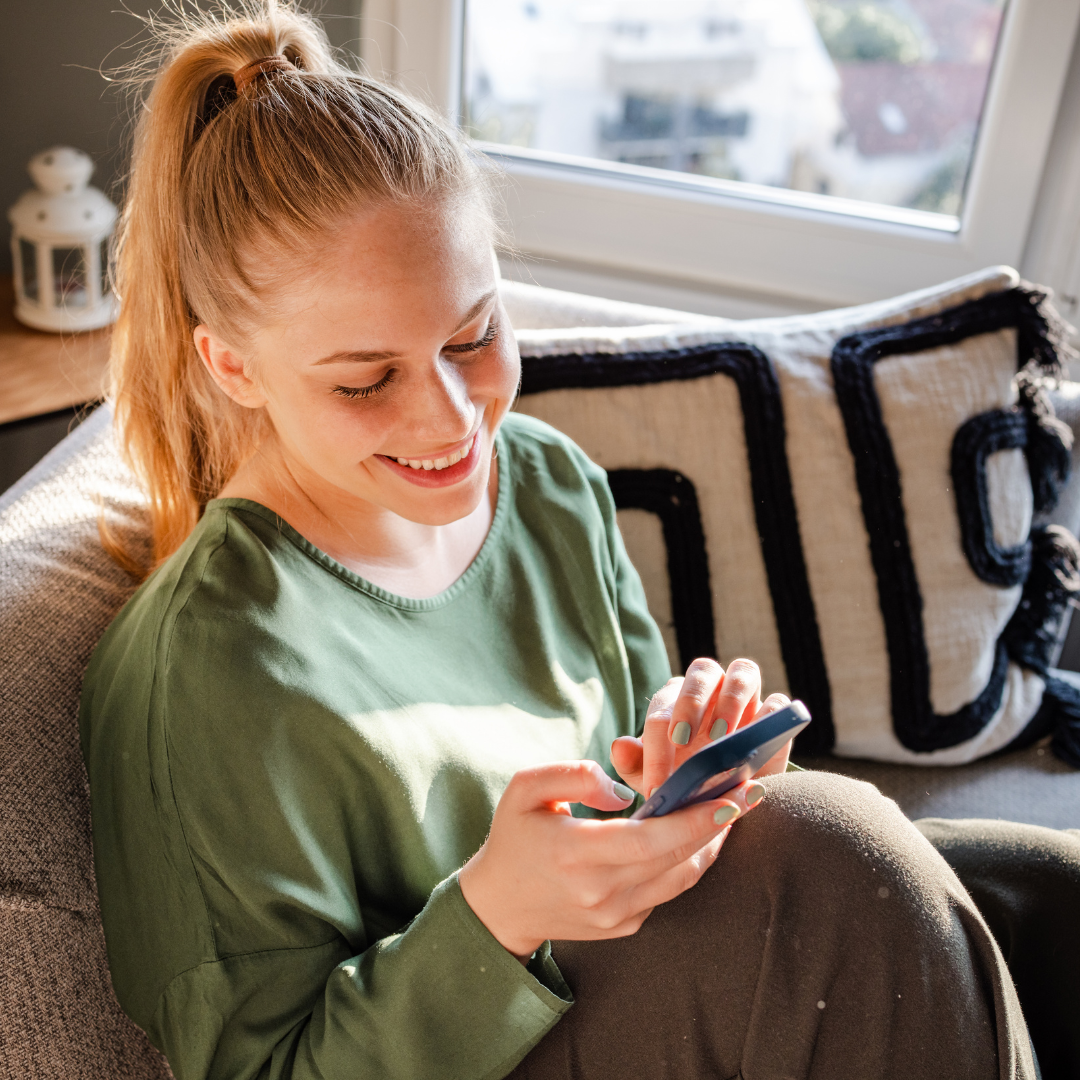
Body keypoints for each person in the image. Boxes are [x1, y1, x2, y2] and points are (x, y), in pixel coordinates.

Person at [79, 4, 1077, 1079]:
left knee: (1043, 887)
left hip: (627, 985)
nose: (455, 417)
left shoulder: (548, 485)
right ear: (232, 366)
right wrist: (492, 913)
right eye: (368, 380)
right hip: (485, 1052)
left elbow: (622, 790)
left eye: (474, 335)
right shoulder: (203, 672)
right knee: (842, 860)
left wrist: (682, 768)